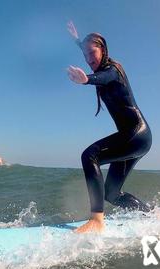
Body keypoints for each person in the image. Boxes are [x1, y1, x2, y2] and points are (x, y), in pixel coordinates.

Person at [66, 22, 153, 233]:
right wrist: (77, 40)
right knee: (112, 194)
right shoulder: (99, 61)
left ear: (103, 50)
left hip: (136, 135)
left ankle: (97, 220)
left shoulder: (113, 70)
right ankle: (150, 213)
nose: (88, 59)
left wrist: (87, 79)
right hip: (134, 138)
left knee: (90, 156)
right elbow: (88, 49)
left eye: (92, 53)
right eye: (85, 55)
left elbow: (103, 77)